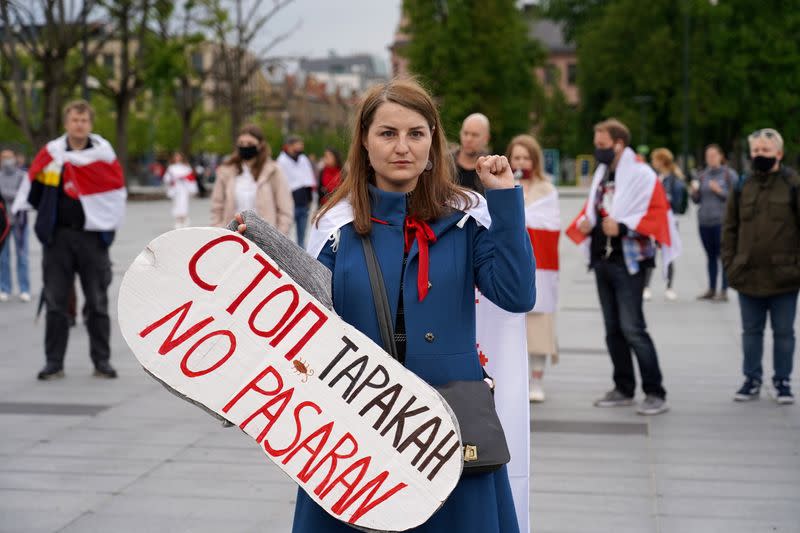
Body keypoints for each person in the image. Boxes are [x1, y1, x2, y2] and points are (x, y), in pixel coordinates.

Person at [292, 78, 536, 532]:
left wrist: (504, 200)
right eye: (387, 133)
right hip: (357, 431)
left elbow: (517, 293)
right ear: (364, 143)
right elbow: (304, 321)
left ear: (433, 143)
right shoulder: (336, 227)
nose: (402, 146)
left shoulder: (467, 217)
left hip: (450, 432)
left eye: (416, 133)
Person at [566, 119, 680, 416]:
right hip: (604, 260)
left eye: (602, 145)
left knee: (633, 328)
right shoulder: (603, 174)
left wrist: (625, 228)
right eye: (596, 144)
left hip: (630, 261)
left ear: (619, 143)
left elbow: (654, 216)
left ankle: (655, 392)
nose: (598, 150)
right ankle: (623, 387)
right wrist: (588, 224)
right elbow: (596, 208)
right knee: (612, 329)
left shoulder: (642, 175)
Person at [27, 99, 126, 380]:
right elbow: (34, 192)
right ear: (66, 123)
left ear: (90, 124)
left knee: (97, 302)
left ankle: (102, 361)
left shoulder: (104, 157)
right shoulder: (52, 156)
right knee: (56, 302)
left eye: (83, 120)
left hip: (93, 239)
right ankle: (53, 362)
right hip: (58, 238)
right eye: (74, 120)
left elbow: (116, 196)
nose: (79, 125)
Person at [722, 128, 800, 405]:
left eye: (765, 151)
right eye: (756, 151)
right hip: (748, 273)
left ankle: (782, 381)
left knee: (784, 333)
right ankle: (751, 379)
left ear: (779, 154)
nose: (760, 156)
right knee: (751, 332)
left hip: (785, 275)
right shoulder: (742, 185)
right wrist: (730, 264)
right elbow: (730, 228)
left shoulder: (793, 184)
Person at [507, 134, 559, 402]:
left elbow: (549, 223)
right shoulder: (502, 185)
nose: (521, 162)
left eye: (526, 157)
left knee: (538, 324)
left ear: (535, 160)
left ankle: (537, 379)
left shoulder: (547, 189)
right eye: (516, 157)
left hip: (540, 265)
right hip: (510, 265)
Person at [210, 125, 293, 234]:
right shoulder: (226, 171)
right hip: (231, 237)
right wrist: (219, 232)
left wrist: (279, 237)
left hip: (265, 240)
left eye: (249, 143)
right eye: (241, 143)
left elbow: (285, 209)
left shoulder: (273, 171)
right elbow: (217, 206)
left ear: (260, 145)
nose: (245, 146)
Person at [691, 144, 736, 301]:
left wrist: (719, 191)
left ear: (720, 156)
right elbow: (697, 200)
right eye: (708, 156)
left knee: (722, 256)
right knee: (710, 256)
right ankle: (711, 288)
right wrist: (694, 192)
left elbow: (735, 199)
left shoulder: (728, 175)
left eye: (713, 155)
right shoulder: (703, 175)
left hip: (721, 222)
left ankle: (723, 290)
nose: (710, 158)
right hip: (704, 221)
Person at [643, 148, 686, 301]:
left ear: (661, 161)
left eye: (654, 159)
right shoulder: (654, 177)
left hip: (669, 220)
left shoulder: (674, 179)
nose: (652, 162)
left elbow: (677, 202)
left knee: (668, 252)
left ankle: (669, 287)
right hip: (655, 219)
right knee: (650, 252)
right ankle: (646, 286)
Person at [0, 148, 30, 302]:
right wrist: (15, 194)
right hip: (3, 223)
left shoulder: (23, 176)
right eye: (4, 157)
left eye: (9, 157)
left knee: (22, 256)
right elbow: (17, 195)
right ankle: (4, 288)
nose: (7, 160)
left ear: (15, 158)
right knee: (3, 257)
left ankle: (25, 289)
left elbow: (26, 196)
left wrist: (7, 193)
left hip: (20, 222)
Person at [277, 135, 316, 247]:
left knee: (302, 238)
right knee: (284, 235)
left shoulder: (303, 160)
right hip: (289, 204)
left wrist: (309, 199)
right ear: (289, 146)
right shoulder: (282, 161)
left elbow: (308, 179)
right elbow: (282, 184)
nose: (300, 148)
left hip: (303, 204)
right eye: (298, 145)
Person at [453, 113, 491, 193]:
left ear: (486, 139)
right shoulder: (444, 162)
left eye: (475, 135)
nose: (468, 139)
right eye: (465, 133)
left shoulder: (491, 168)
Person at [162, 151, 198, 229]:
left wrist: (185, 180)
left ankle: (184, 218)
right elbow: (167, 178)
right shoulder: (171, 167)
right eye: (176, 156)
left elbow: (191, 177)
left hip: (184, 188)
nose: (177, 158)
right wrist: (172, 179)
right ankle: (178, 219)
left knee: (184, 203)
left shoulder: (186, 167)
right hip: (176, 188)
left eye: (179, 156)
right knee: (176, 204)